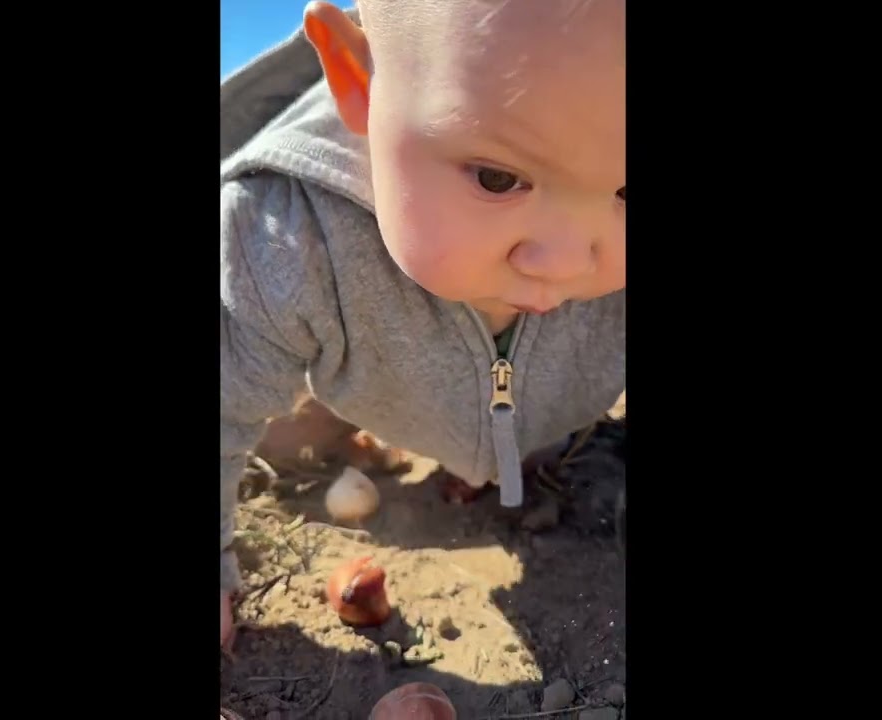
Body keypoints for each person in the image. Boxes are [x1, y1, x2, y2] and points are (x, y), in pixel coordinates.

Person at [220, 0, 626, 652]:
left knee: (533, 440)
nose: (565, 262)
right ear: (361, 81)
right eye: (498, 178)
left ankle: (503, 455)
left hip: (555, 409)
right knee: (288, 435)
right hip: (370, 383)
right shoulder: (285, 230)